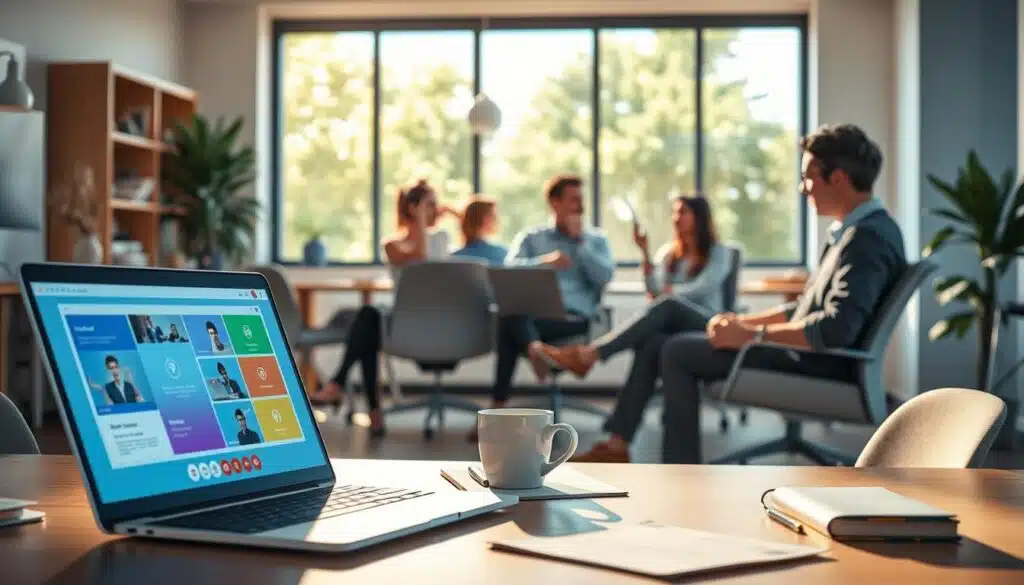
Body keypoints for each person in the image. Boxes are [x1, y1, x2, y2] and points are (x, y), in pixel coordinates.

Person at [564, 123, 906, 463]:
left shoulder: (866, 239)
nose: (803, 189)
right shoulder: (855, 233)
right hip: (802, 353)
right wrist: (741, 323)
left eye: (808, 177)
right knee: (660, 336)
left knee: (674, 349)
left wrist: (750, 335)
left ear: (839, 178)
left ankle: (679, 470)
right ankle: (620, 443)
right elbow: (803, 310)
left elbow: (833, 329)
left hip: (816, 364)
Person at [536, 193, 731, 454]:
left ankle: (592, 354)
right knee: (651, 344)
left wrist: (668, 294)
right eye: (674, 212)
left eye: (683, 212)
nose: (676, 218)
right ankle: (618, 444)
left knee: (669, 306)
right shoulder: (670, 255)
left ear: (699, 216)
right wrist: (645, 252)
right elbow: (654, 292)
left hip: (708, 326)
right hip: (675, 329)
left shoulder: (720, 253)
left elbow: (698, 289)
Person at [309, 179, 457, 437]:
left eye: (435, 204)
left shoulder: (442, 238)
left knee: (369, 321)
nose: (435, 209)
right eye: (428, 205)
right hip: (404, 325)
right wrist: (421, 219)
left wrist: (453, 213)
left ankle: (340, 385)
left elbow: (425, 254)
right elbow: (417, 256)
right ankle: (369, 408)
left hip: (436, 323)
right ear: (412, 208)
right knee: (369, 319)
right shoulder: (392, 245)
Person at [472, 174, 614, 440]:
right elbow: (508, 270)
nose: (580, 206)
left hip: (574, 318)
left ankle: (497, 407)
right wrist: (544, 261)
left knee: (509, 326)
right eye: (573, 200)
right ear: (554, 203)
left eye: (582, 200)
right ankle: (537, 348)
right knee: (511, 316)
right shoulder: (532, 238)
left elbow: (605, 277)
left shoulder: (595, 240)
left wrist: (580, 243)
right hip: (534, 316)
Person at [451, 195, 507, 265]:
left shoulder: (453, 258)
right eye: (494, 216)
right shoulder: (502, 254)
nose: (498, 220)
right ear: (485, 219)